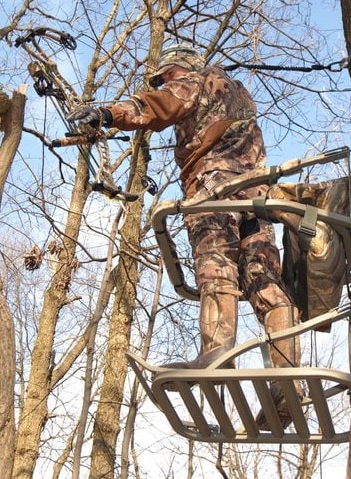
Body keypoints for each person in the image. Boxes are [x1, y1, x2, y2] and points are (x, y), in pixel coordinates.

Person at [67, 43, 301, 429]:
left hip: (214, 189)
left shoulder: (197, 81)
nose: (165, 81)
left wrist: (107, 114)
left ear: (184, 68)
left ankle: (218, 351)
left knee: (216, 268)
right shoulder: (237, 90)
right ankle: (286, 376)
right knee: (265, 281)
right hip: (258, 197)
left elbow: (158, 107)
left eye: (167, 74)